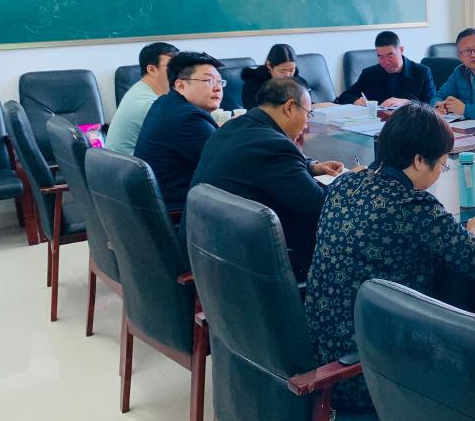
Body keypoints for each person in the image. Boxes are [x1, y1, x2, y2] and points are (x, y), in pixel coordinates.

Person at [305, 102, 475, 411]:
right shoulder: (413, 205)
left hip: (322, 359)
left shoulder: (344, 185)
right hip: (369, 373)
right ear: (419, 160)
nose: (440, 171)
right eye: (442, 164)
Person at [189, 78, 345, 280]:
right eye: (308, 114)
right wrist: (350, 181)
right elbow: (319, 206)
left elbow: (259, 166)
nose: (307, 123)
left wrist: (311, 167)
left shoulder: (233, 127)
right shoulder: (274, 145)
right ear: (289, 107)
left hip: (204, 242)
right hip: (242, 261)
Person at [134, 51, 224, 211]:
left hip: (157, 206)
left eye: (220, 81)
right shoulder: (189, 119)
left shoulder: (165, 104)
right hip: (179, 213)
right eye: (209, 80)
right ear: (181, 86)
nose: (218, 88)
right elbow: (227, 163)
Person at [105, 42, 179, 155]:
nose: (179, 72)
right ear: (152, 70)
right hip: (132, 165)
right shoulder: (148, 104)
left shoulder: (140, 88)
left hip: (123, 162)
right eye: (172, 67)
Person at [335, 30, 435, 107]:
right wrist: (356, 101)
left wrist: (408, 102)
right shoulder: (370, 74)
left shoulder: (422, 72)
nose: (386, 62)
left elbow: (432, 104)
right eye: (381, 57)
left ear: (401, 50)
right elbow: (344, 96)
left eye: (390, 56)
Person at [240, 43, 310, 110]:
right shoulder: (253, 84)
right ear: (269, 65)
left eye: (291, 70)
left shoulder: (300, 83)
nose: (288, 75)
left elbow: (308, 106)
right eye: (282, 71)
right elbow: (253, 112)